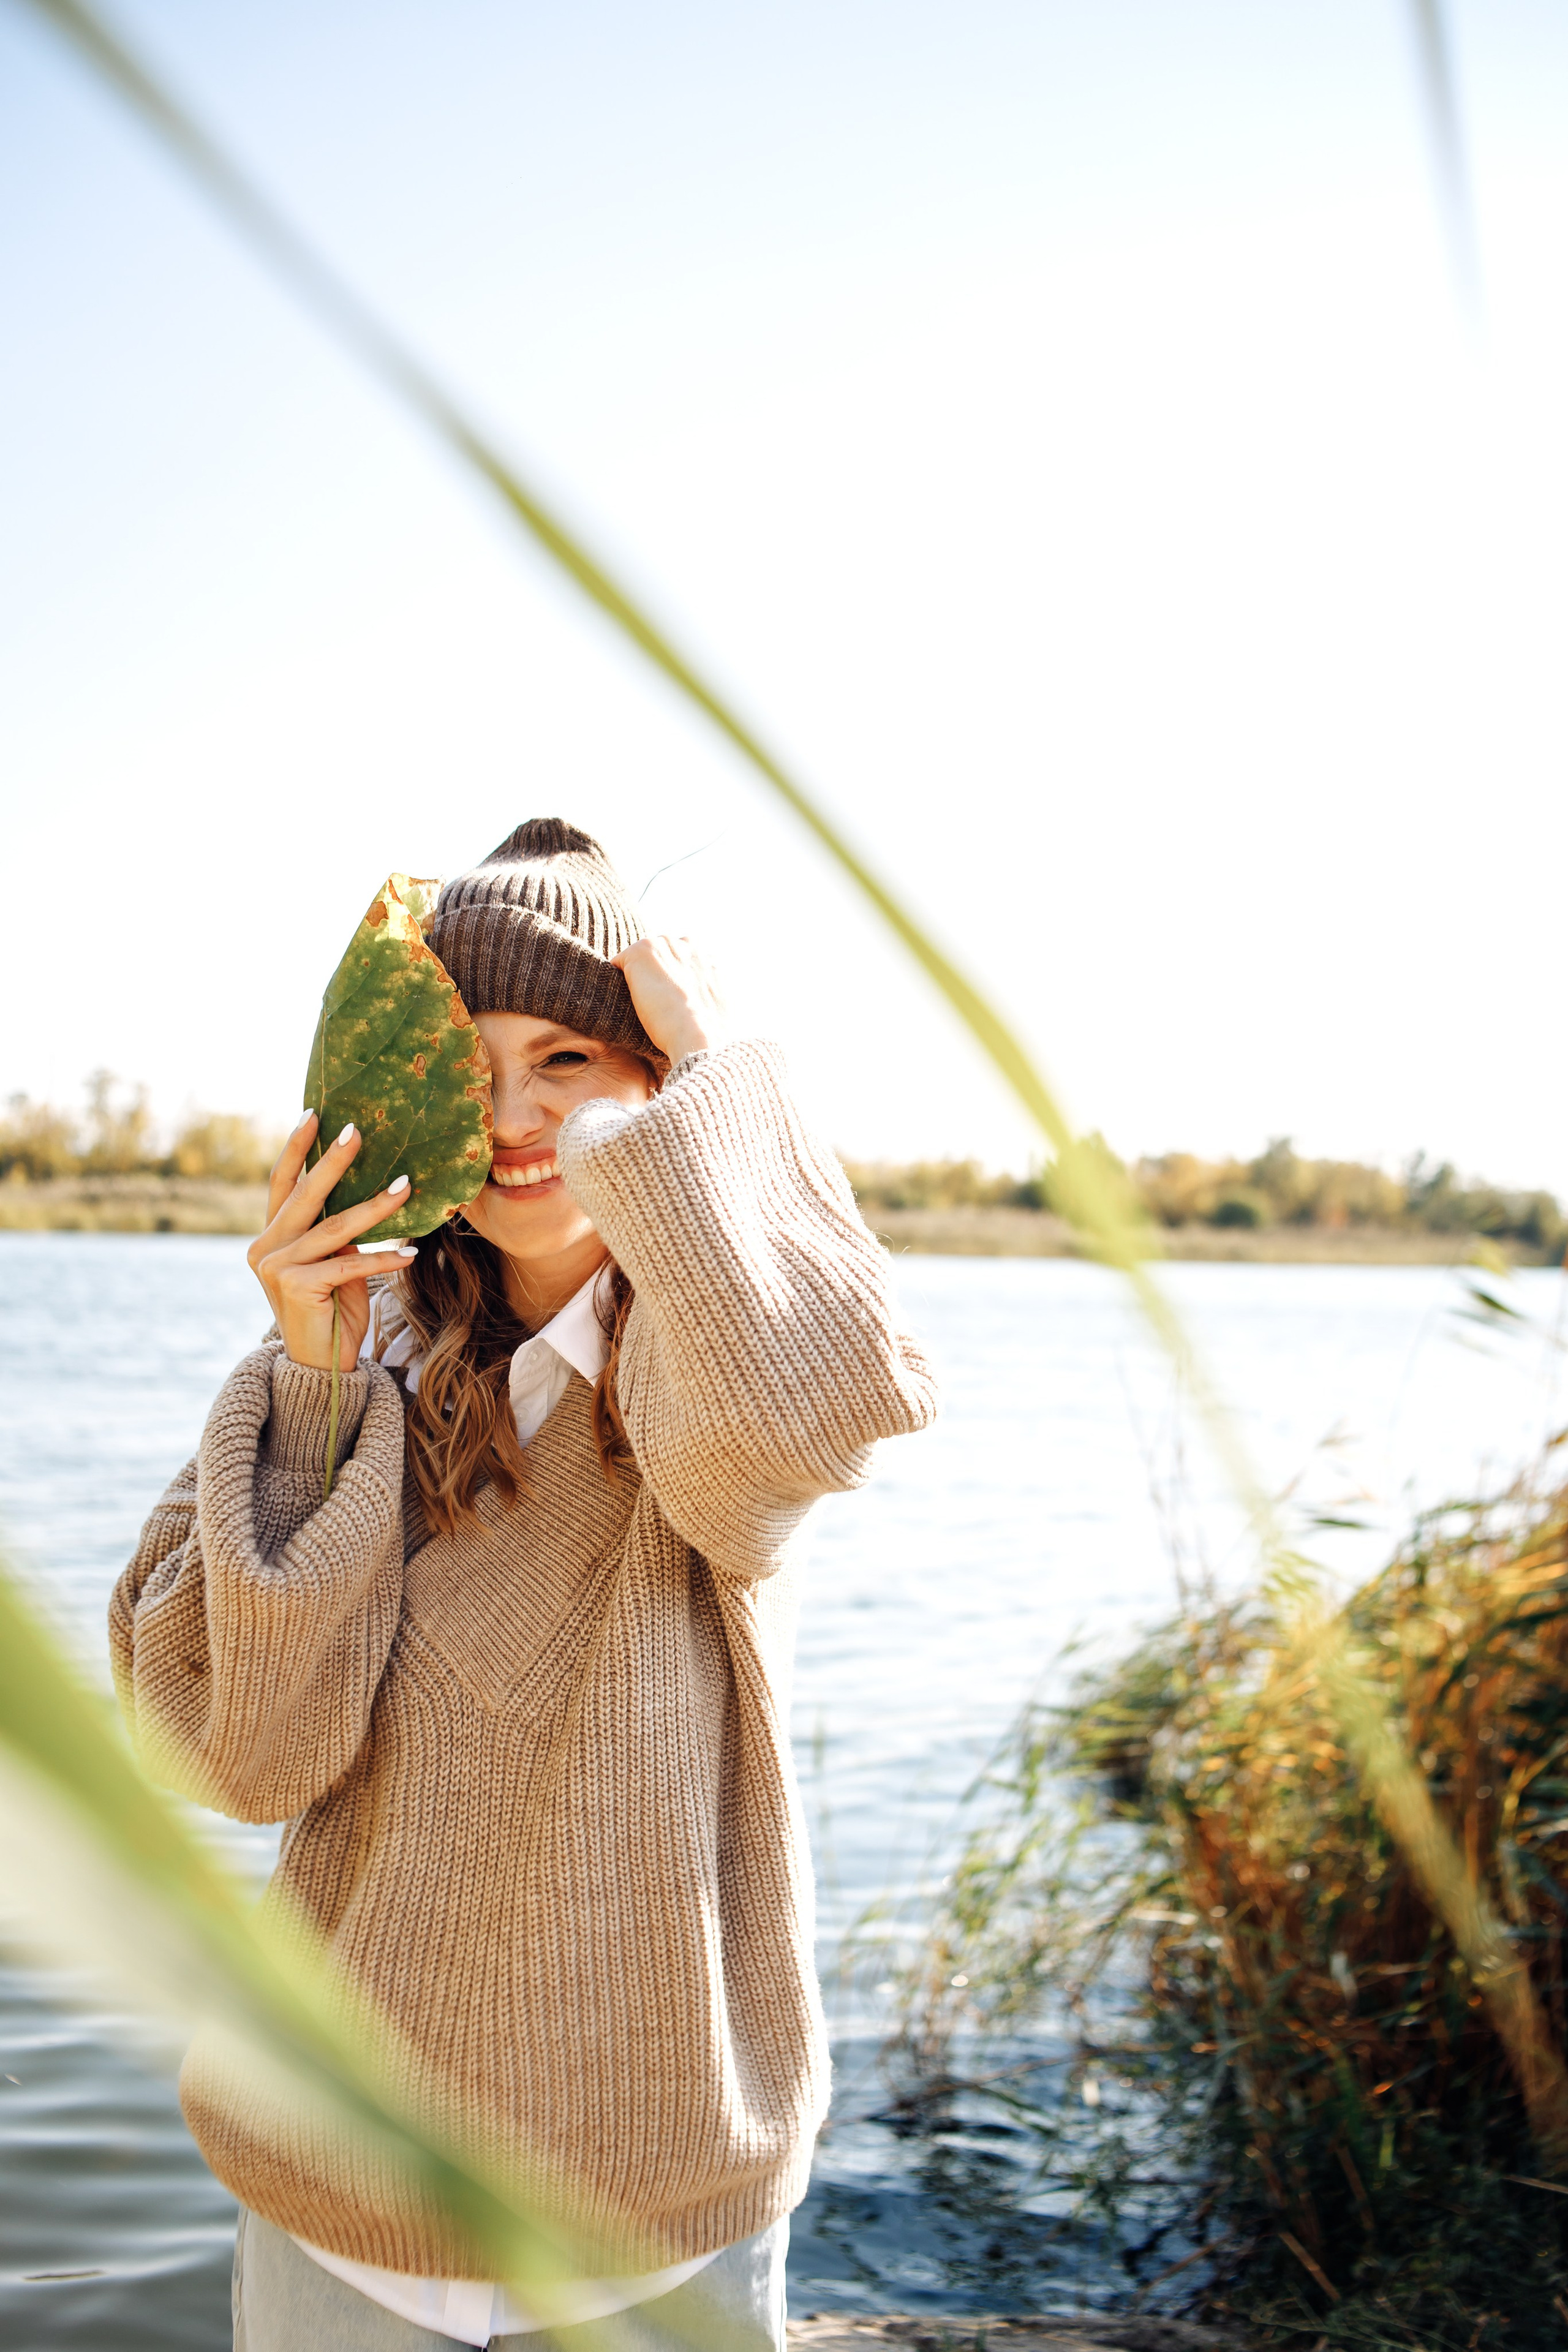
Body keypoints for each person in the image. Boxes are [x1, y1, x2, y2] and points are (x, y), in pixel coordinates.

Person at [110, 818, 938, 2351]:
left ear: (659, 1078)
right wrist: (312, 1378)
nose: (512, 1115)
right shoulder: (349, 1363)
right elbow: (236, 1757)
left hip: (658, 2199)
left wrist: (714, 1064)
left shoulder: (719, 1356)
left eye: (570, 1056)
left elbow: (822, 1405)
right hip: (338, 2180)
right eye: (467, 1062)